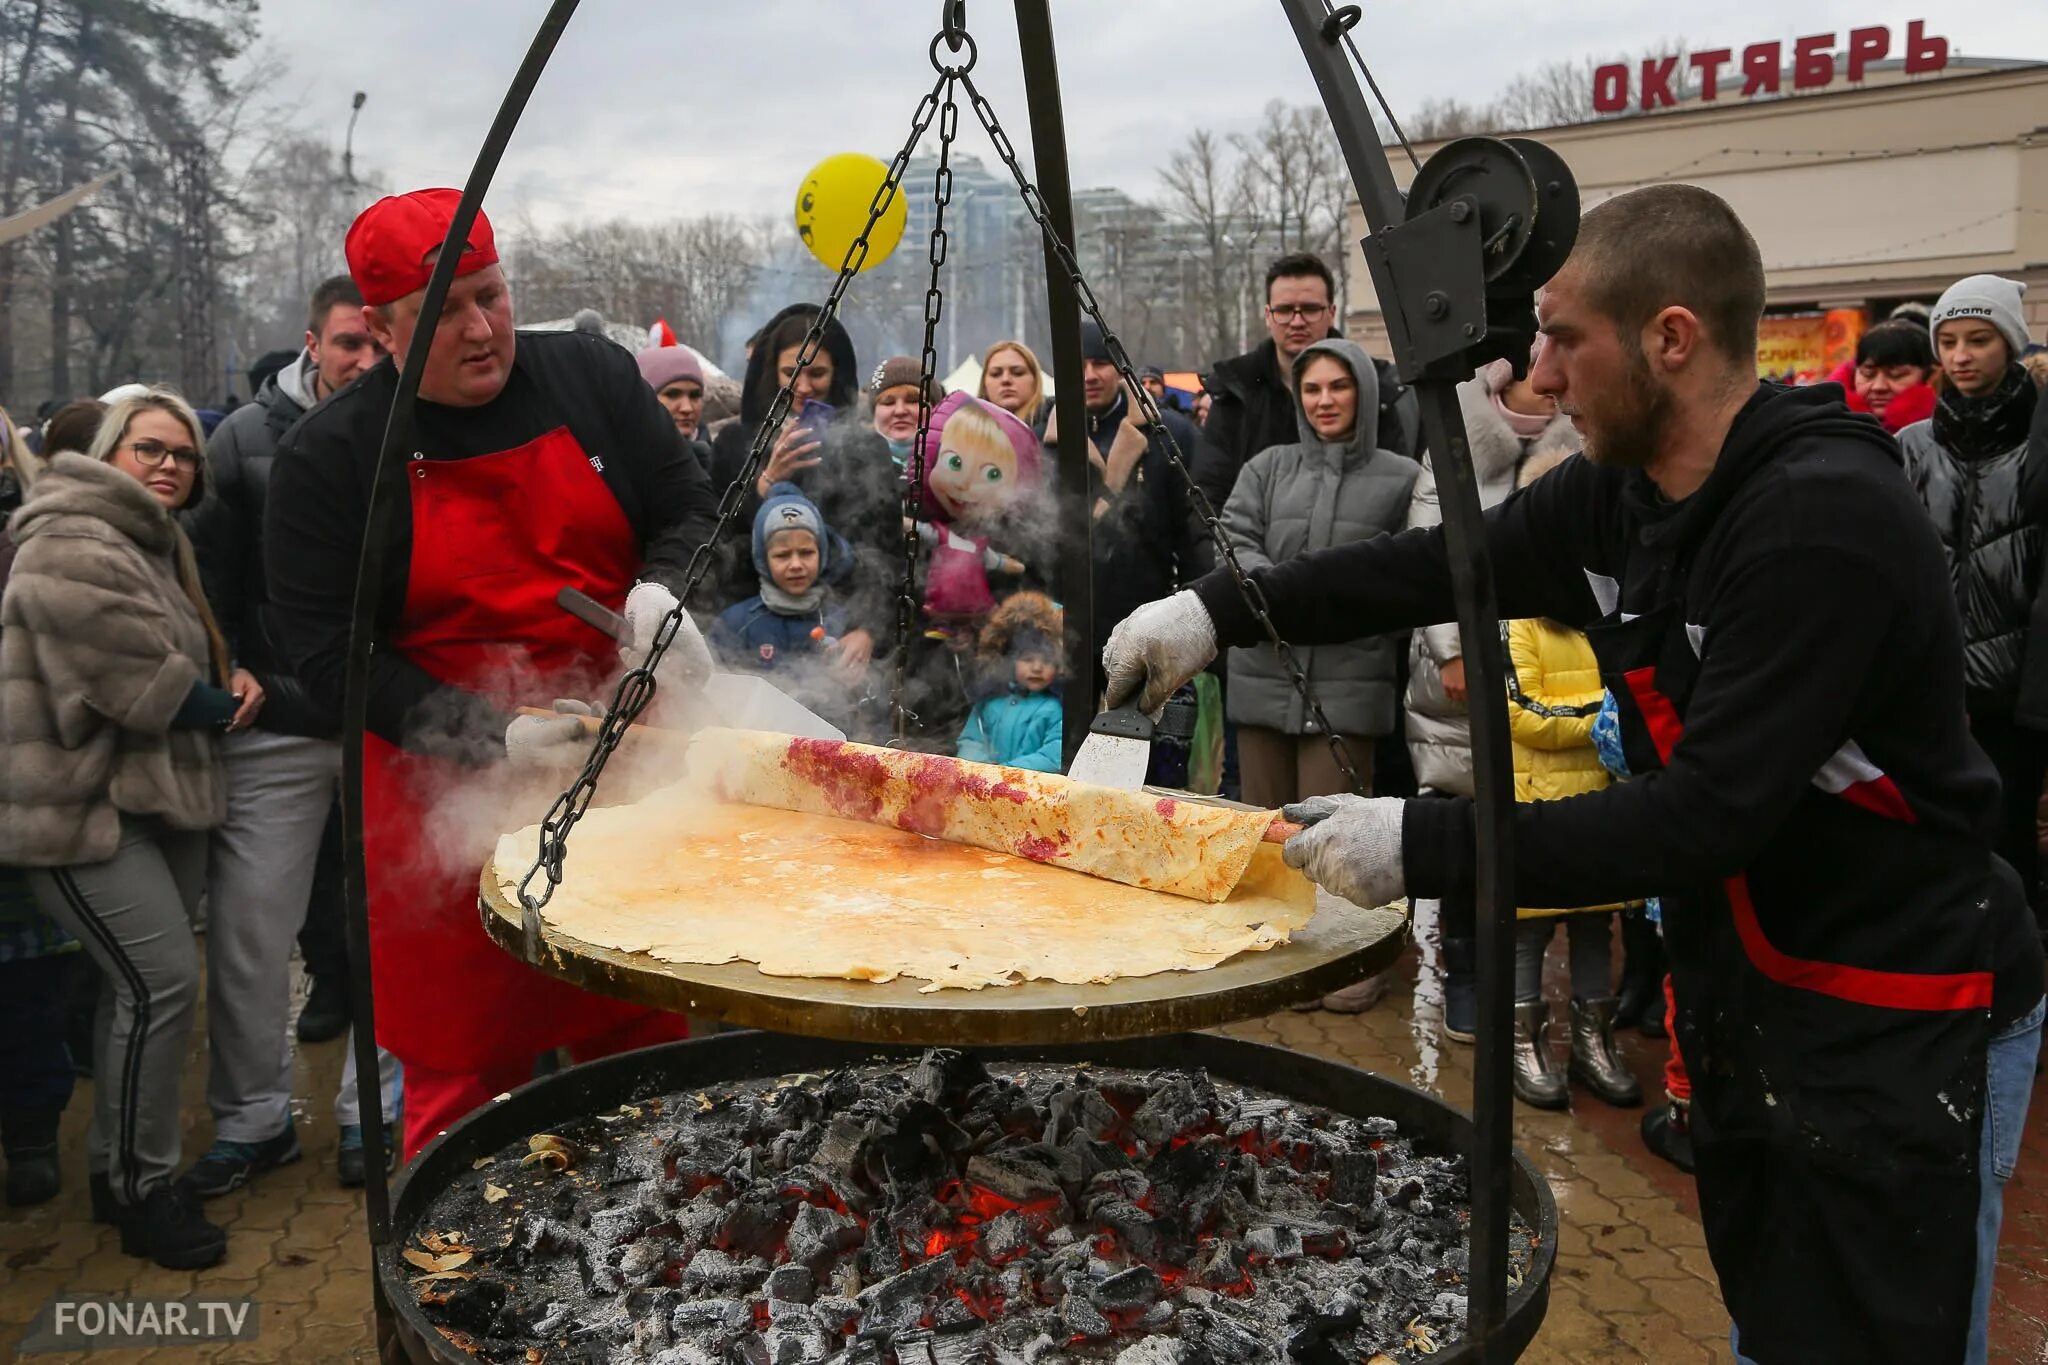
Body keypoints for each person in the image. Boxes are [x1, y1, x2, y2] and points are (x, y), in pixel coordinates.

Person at [1101, 183, 2045, 1363]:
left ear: (1670, 338)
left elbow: (1703, 816)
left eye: (1561, 338)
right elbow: (1433, 566)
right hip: (1760, 991)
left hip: (1898, 999)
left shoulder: (1815, 521)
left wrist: (1418, 844)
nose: (1537, 374)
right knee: (1780, 1325)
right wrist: (1210, 610)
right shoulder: (1621, 492)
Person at [264, 188, 719, 1160]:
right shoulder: (329, 460)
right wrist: (488, 733)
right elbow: (326, 655)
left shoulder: (590, 377)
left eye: (493, 296)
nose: (482, 329)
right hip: (440, 790)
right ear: (382, 330)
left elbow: (686, 501)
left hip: (621, 760)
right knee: (463, 1061)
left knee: (633, 1023)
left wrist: (661, 593)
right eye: (447, 313)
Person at [1, 388, 246, 1267]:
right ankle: (147, 1192)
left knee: (129, 997)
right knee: (160, 986)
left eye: (184, 454)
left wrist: (226, 681)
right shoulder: (69, 536)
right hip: (79, 811)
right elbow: (149, 683)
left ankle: (113, 1172)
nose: (171, 464)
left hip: (149, 801)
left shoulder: (148, 538)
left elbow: (186, 657)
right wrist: (236, 703)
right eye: (150, 449)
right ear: (107, 453)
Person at [179, 275, 399, 1198]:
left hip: (386, 716)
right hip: (277, 715)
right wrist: (226, 660)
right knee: (249, 929)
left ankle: (369, 1112)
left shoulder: (412, 424)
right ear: (312, 342)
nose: (365, 360)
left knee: (380, 931)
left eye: (378, 343)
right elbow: (211, 574)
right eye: (349, 342)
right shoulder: (243, 439)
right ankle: (252, 1119)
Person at [1408, 355, 1579, 1040]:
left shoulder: (1583, 435)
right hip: (1461, 671)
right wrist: (1451, 649)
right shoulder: (1453, 436)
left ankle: (1528, 984)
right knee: (1464, 825)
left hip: (1560, 662)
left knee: (1545, 819)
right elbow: (1429, 547)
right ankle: (1467, 978)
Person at [1899, 275, 2045, 941]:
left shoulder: (2039, 447)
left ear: (2010, 344)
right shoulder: (1911, 444)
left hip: (2015, 689)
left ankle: (2014, 976)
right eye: (1949, 341)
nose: (1961, 355)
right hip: (1930, 684)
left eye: (1979, 340)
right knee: (1931, 838)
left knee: (2010, 841)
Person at [1502, 448, 1642, 1111]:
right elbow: (1522, 712)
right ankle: (1525, 1040)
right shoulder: (1517, 620)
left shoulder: (1606, 612)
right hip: (1534, 803)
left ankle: (1594, 1038)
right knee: (1529, 933)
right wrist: (1606, 717)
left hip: (1602, 805)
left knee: (1594, 932)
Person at [1223, 338, 1417, 807]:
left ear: (1364, 393)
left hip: (1350, 687)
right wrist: (1276, 595)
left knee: (1331, 841)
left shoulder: (1405, 477)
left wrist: (1341, 610)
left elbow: (1411, 576)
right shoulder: (1266, 468)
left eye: (1339, 386)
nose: (1324, 401)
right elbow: (1232, 542)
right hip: (1262, 679)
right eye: (1311, 389)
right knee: (1259, 837)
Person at [704, 307, 881, 688]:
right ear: (771, 373)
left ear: (837, 376)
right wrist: (764, 488)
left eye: (817, 373)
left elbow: (885, 553)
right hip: (753, 641)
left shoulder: (866, 449)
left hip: (839, 639)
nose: (803, 386)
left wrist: (869, 629)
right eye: (791, 373)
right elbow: (719, 547)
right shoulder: (736, 444)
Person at [1194, 251, 1418, 514]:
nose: (1297, 321)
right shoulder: (1235, 393)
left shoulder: (1379, 393)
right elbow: (1207, 501)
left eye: (1310, 309)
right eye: (1285, 310)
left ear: (1331, 312)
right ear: (1268, 315)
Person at [1054, 322, 1210, 692]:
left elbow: (1193, 532)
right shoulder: (1047, 439)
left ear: (1119, 368)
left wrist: (1196, 609)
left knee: (1144, 744)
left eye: (1100, 363)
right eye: (1080, 365)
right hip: (1068, 626)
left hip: (1151, 615)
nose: (1090, 376)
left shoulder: (1169, 432)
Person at [710, 483, 859, 729]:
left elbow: (862, 701)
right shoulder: (735, 623)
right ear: (762, 559)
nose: (796, 564)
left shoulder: (841, 620)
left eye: (806, 552)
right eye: (782, 555)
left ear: (821, 554)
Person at [906, 392, 1040, 641]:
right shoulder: (930, 526)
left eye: (992, 475)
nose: (965, 485)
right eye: (955, 463)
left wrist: (1013, 567)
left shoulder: (1013, 537)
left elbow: (1002, 564)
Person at [957, 591, 1063, 772]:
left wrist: (1007, 772)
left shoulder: (1055, 710)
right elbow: (971, 740)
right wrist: (981, 768)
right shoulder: (990, 702)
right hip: (983, 787)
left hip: (1031, 792)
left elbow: (1054, 756)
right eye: (1028, 659)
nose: (1037, 668)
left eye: (1047, 661)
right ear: (1010, 660)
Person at [1844, 319, 1938, 434]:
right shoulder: (1830, 431)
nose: (1878, 387)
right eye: (1868, 374)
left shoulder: (1944, 432)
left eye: (1896, 375)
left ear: (1929, 376)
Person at [636, 341, 711, 470]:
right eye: (673, 394)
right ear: (644, 399)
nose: (687, 408)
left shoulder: (725, 468)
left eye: (695, 395)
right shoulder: (618, 467)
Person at [978, 339, 1048, 430]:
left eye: (1017, 372)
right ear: (984, 385)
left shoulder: (1056, 418)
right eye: (996, 374)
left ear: (1035, 380)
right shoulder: (964, 432)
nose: (1005, 379)